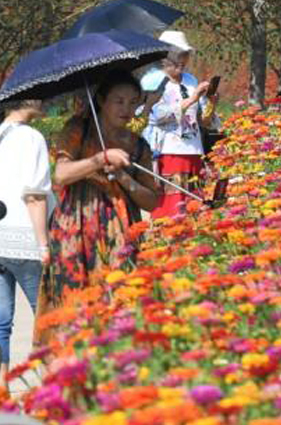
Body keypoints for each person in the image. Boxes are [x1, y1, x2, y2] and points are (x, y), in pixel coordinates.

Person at [36, 70, 163, 348]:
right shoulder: (78, 130)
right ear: (102, 100)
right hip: (74, 231)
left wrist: (125, 178)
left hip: (120, 235)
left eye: (133, 102)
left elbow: (153, 201)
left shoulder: (138, 145)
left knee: (119, 304)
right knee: (74, 309)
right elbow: (61, 174)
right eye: (119, 101)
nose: (127, 109)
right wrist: (98, 160)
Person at [0, 100, 50, 384]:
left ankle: (2, 391)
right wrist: (44, 245)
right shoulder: (32, 137)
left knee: (0, 322)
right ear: (26, 100)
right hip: (25, 239)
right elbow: (34, 196)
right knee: (46, 317)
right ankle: (54, 387)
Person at [144, 31, 219, 219]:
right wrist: (193, 98)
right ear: (164, 56)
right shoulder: (153, 81)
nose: (182, 60)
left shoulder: (191, 80)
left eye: (185, 54)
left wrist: (211, 102)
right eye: (177, 54)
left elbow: (204, 121)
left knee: (195, 202)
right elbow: (159, 115)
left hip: (193, 149)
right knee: (173, 205)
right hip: (168, 151)